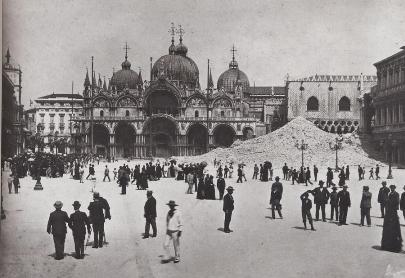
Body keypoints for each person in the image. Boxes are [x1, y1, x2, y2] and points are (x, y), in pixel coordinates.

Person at [381, 185, 403, 252]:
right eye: (391, 188)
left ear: (394, 188)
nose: (392, 189)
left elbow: (396, 202)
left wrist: (389, 202)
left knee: (394, 228)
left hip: (393, 212)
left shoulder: (396, 194)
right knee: (388, 228)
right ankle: (388, 245)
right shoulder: (390, 194)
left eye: (393, 188)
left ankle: (394, 245)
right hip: (389, 212)